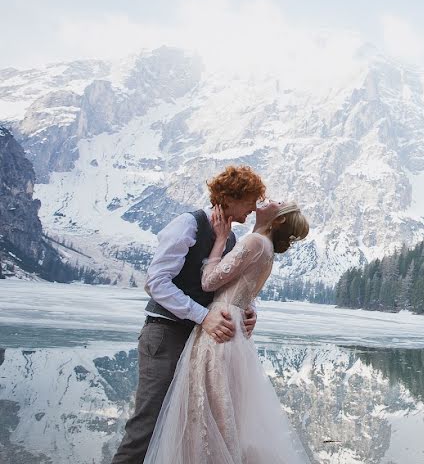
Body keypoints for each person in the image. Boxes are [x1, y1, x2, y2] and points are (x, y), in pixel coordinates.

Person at [113, 165, 267, 464]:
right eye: (250, 200)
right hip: (165, 334)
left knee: (187, 426)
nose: (253, 207)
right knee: (147, 424)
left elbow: (224, 287)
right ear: (230, 197)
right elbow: (156, 283)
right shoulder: (188, 224)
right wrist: (202, 316)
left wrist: (247, 310)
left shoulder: (233, 240)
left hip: (200, 343)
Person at [144, 198, 311, 464]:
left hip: (219, 328)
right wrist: (247, 308)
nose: (267, 199)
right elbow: (242, 287)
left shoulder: (253, 241)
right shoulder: (262, 245)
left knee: (205, 412)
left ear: (277, 219)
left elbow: (209, 282)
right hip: (231, 327)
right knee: (221, 411)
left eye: (278, 203)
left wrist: (220, 241)